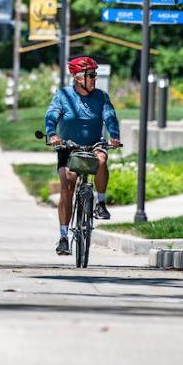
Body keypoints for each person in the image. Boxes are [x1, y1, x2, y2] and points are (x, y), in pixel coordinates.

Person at [44, 55, 122, 256]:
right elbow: (52, 114)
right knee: (68, 183)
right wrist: (52, 134)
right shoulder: (63, 95)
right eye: (91, 75)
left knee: (102, 159)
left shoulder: (101, 96)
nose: (95, 79)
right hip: (69, 146)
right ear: (79, 78)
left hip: (95, 143)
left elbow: (110, 116)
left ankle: (101, 203)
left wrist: (114, 135)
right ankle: (63, 237)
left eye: (94, 75)